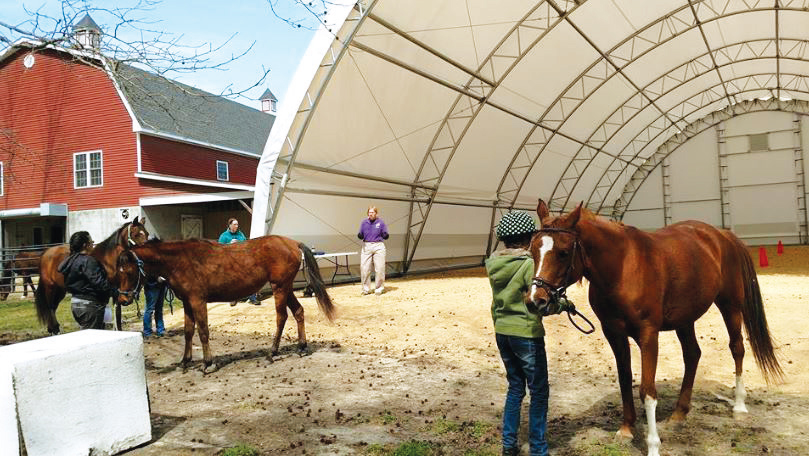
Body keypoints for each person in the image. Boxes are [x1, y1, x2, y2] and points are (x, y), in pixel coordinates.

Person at [485, 211, 570, 456]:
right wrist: (563, 306)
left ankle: (509, 445)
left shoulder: (493, 264)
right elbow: (538, 304)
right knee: (539, 391)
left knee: (515, 388)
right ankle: (538, 449)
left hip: (502, 332)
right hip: (527, 335)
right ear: (528, 238)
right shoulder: (527, 265)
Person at [57, 231, 115, 330]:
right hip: (90, 305)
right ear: (85, 245)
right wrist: (115, 292)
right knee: (93, 338)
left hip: (76, 304)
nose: (93, 244)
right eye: (91, 242)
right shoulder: (88, 261)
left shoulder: (71, 260)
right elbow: (99, 283)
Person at [219, 218, 260, 305]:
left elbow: (247, 244)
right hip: (230, 261)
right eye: (234, 224)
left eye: (237, 224)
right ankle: (233, 298)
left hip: (242, 260)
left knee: (250, 277)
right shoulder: (224, 236)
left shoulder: (240, 234)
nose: (236, 226)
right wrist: (229, 244)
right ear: (230, 225)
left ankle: (253, 298)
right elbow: (219, 249)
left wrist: (240, 243)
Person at [357, 206, 389, 295]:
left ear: (376, 214)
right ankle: (365, 289)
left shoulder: (381, 222)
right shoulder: (364, 223)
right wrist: (359, 235)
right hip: (367, 245)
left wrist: (385, 235)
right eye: (369, 212)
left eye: (372, 212)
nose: (370, 214)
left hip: (378, 245)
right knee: (364, 268)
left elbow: (385, 234)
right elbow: (361, 234)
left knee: (379, 268)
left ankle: (379, 288)